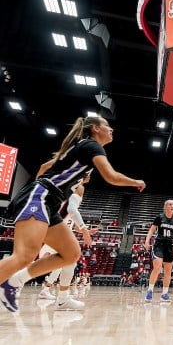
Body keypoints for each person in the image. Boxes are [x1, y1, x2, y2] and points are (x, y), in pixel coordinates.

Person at [0, 116, 145, 312]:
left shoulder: (81, 146)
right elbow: (111, 177)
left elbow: (44, 168)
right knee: (24, 255)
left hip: (49, 202)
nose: (111, 130)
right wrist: (136, 181)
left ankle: (16, 282)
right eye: (107, 126)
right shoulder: (92, 146)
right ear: (96, 129)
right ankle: (15, 283)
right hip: (40, 197)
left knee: (71, 254)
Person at [35, 172, 98, 310]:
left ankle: (46, 290)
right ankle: (62, 299)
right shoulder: (79, 187)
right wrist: (85, 230)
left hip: (57, 227)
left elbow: (71, 217)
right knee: (68, 260)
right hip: (57, 228)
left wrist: (83, 229)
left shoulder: (69, 187)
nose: (90, 175)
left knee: (62, 263)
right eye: (89, 172)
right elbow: (72, 210)